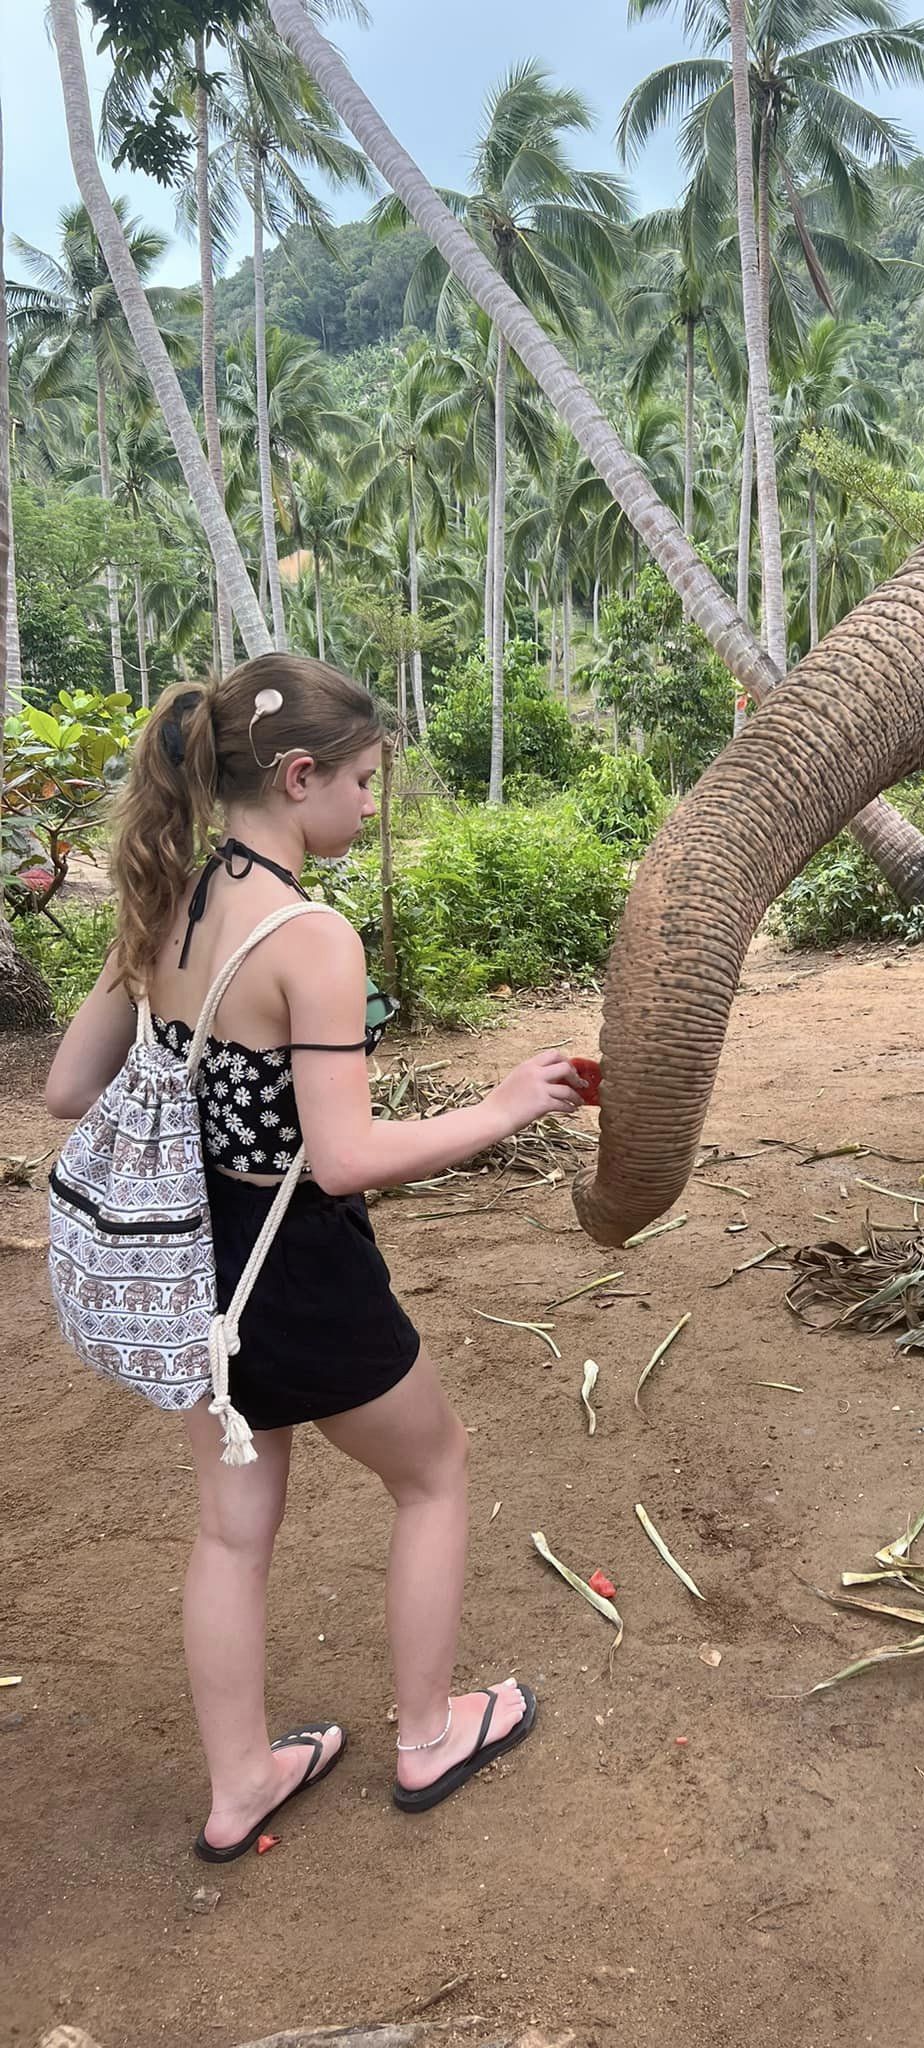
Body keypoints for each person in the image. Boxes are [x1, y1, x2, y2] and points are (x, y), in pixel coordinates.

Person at [45, 654, 584, 1861]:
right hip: (293, 1265)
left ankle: (240, 1784)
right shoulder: (310, 935)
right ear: (299, 778)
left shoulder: (168, 897)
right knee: (435, 1470)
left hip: (199, 1263)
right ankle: (429, 1731)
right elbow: (341, 1157)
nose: (370, 804)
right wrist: (505, 1105)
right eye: (363, 779)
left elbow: (66, 1085)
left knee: (233, 1529)